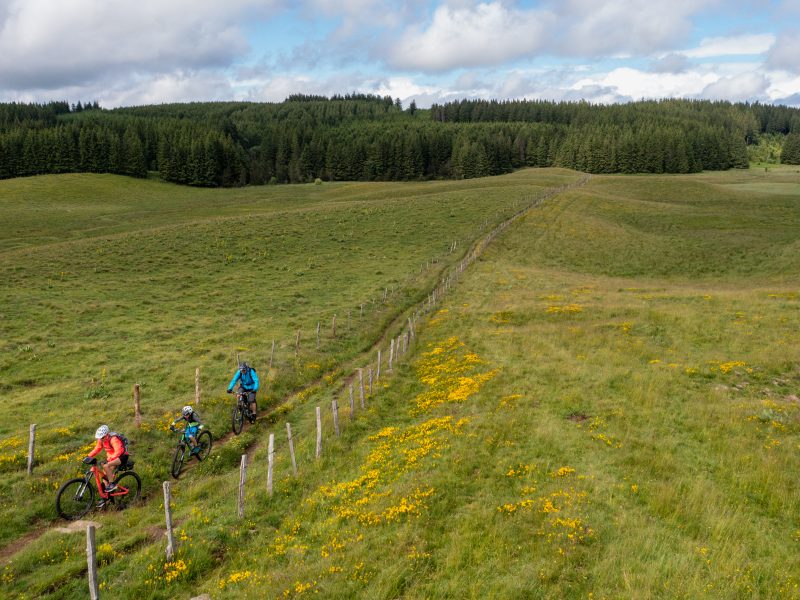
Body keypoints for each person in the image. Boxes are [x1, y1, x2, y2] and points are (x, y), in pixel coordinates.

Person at [83, 425, 129, 493]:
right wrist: (88, 456)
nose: (101, 439)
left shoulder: (113, 439)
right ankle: (108, 496)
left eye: (102, 437)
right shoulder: (101, 440)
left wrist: (110, 459)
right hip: (111, 458)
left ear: (107, 434)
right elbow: (97, 449)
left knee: (106, 466)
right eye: (99, 438)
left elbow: (119, 451)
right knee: (104, 477)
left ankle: (112, 484)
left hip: (122, 456)